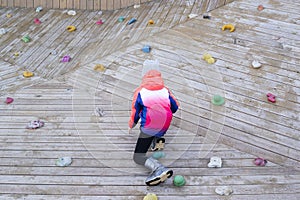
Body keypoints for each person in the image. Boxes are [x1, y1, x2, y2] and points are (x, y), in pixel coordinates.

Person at [128, 65, 179, 186]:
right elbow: (175, 107)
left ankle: (158, 168)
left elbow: (135, 112)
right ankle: (157, 141)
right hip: (165, 124)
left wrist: (132, 124)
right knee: (158, 124)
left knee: (138, 157)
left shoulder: (140, 92)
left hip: (149, 127)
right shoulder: (165, 90)